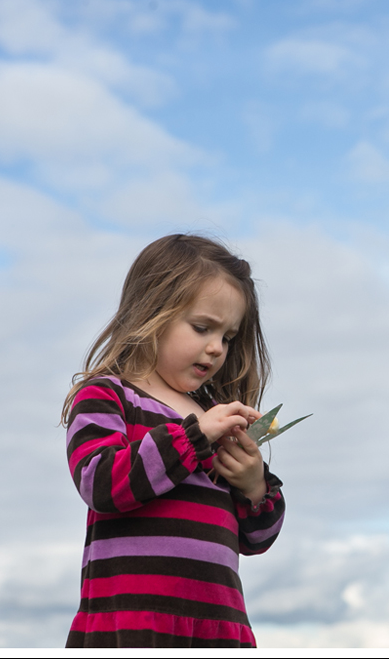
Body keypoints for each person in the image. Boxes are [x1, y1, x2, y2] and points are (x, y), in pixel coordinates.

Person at [61, 234, 284, 648]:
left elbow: (258, 539)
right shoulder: (108, 396)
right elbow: (100, 483)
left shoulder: (215, 414)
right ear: (152, 312)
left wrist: (255, 486)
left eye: (228, 337)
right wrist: (194, 436)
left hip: (218, 627)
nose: (216, 348)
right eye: (202, 328)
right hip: (132, 622)